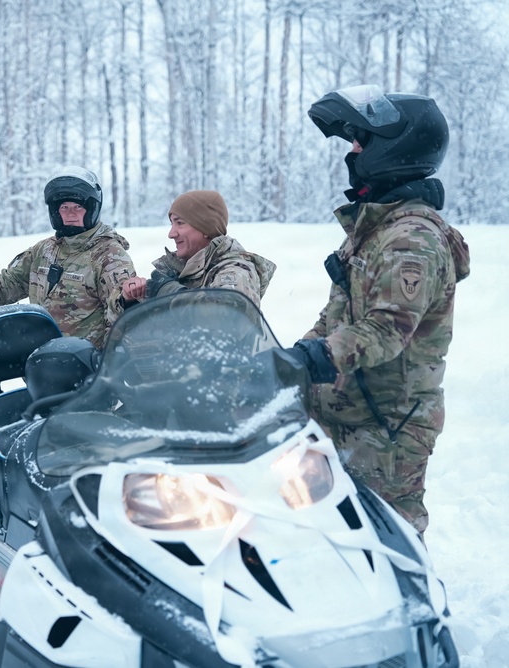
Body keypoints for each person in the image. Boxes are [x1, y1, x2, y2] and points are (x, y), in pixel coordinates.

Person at [285, 84, 470, 535]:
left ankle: (415, 609)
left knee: (387, 540)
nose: (352, 151)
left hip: (386, 425)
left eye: (360, 141)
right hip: (345, 411)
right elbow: (339, 316)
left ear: (395, 149)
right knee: (324, 534)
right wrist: (293, 354)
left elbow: (387, 328)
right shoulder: (375, 228)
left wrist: (321, 357)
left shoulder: (411, 237)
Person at [0, 166, 135, 349]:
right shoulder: (44, 250)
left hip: (88, 367)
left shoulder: (109, 255)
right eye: (64, 207)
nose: (71, 214)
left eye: (78, 207)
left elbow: (123, 314)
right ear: (55, 211)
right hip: (41, 363)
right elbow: (8, 284)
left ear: (91, 209)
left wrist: (108, 365)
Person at [118, 190, 275, 310]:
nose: (171, 233)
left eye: (180, 223)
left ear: (205, 228)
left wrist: (168, 291)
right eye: (171, 224)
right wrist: (129, 300)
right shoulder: (178, 272)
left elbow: (226, 318)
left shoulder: (236, 271)